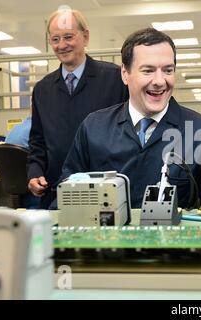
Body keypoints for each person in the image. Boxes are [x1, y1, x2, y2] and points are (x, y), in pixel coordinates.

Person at [59, 28, 201, 209]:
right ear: (125, 74)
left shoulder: (200, 131)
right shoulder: (93, 129)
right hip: (108, 237)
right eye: (148, 71)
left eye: (168, 70)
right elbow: (67, 200)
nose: (160, 81)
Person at [27, 8, 128, 208]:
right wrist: (35, 172)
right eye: (55, 39)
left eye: (68, 37)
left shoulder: (115, 79)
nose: (62, 45)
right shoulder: (42, 89)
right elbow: (37, 142)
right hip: (58, 193)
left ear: (85, 37)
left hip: (106, 193)